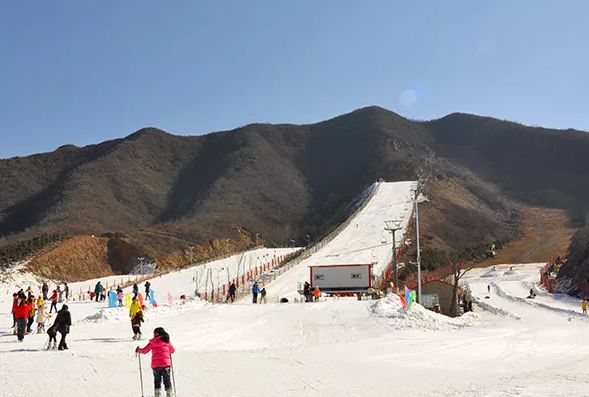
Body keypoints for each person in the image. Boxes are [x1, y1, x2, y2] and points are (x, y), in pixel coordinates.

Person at [136, 327, 176, 397]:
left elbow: (145, 351)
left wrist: (138, 350)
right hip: (166, 364)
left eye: (154, 333)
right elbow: (172, 350)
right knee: (167, 379)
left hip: (156, 365)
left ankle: (158, 394)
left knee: (157, 380)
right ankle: (169, 394)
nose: (153, 335)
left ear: (157, 333)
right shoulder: (166, 342)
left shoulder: (152, 342)